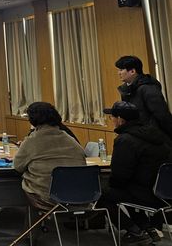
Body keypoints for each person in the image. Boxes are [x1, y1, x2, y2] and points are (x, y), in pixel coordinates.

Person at [97, 101, 169, 245]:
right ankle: (146, 228)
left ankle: (134, 231)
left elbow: (119, 175)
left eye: (112, 117)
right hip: (164, 192)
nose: (111, 120)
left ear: (120, 119)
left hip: (144, 193)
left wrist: (111, 184)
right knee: (125, 191)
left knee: (100, 193)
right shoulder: (158, 137)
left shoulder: (125, 140)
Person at [12, 102, 87, 210]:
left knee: (25, 182)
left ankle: (31, 219)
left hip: (47, 196)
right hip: (78, 194)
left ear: (32, 120)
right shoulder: (71, 139)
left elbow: (17, 167)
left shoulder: (31, 141)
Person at [115, 55, 172, 142]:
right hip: (136, 133)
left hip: (152, 137)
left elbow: (162, 115)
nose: (118, 73)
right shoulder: (126, 90)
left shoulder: (148, 88)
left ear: (132, 71)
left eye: (121, 70)